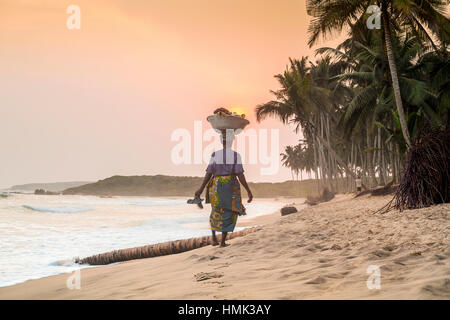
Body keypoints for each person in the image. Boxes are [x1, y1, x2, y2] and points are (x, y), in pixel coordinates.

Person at [195, 130, 253, 247]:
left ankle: (214, 238)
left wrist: (201, 188)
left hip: (215, 184)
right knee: (229, 211)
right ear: (232, 141)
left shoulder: (215, 154)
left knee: (216, 210)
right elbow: (239, 174)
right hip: (229, 185)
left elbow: (209, 172)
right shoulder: (236, 155)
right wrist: (248, 190)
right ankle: (222, 242)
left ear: (222, 141)